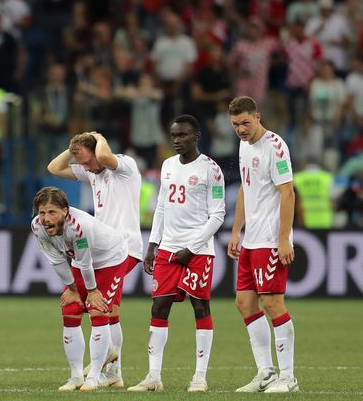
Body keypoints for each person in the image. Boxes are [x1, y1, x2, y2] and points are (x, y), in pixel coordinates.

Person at [127, 115, 225, 393]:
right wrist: (152, 244)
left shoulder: (211, 169)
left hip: (198, 251)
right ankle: (153, 377)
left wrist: (192, 248)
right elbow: (161, 206)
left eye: (182, 135)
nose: (177, 141)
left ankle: (199, 377)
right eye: (173, 136)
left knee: (200, 307)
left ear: (197, 136)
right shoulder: (168, 165)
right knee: (158, 308)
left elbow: (218, 214)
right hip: (168, 249)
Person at [47, 131, 143, 387]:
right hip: (101, 250)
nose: (87, 168)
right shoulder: (93, 171)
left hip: (125, 247)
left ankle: (101, 368)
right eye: (84, 164)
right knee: (110, 310)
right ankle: (114, 373)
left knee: (99, 304)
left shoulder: (124, 166)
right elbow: (54, 168)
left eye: (88, 162)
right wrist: (74, 149)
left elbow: (102, 156)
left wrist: (97, 137)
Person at [227, 96, 298, 393]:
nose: (241, 129)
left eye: (245, 122)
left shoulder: (275, 146)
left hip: (270, 240)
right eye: (235, 125)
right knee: (244, 303)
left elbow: (288, 193)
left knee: (272, 303)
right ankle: (266, 373)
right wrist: (235, 230)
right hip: (251, 239)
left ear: (258, 116)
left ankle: (288, 377)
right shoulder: (244, 146)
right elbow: (246, 188)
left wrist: (283, 238)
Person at [31, 187, 127, 392]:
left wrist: (92, 291)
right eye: (41, 212)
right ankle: (76, 376)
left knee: (97, 308)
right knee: (71, 308)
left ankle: (93, 376)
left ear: (65, 211)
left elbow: (85, 263)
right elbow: (57, 260)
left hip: (111, 258)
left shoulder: (77, 226)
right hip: (81, 261)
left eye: (51, 212)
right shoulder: (37, 227)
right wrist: (73, 290)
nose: (45, 218)